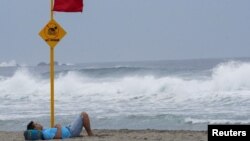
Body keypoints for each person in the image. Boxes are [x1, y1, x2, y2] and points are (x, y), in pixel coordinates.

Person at [26, 112, 93, 140]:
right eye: (36, 124)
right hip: (71, 132)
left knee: (81, 116)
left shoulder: (44, 131)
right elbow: (58, 137)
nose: (38, 123)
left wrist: (56, 127)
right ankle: (90, 135)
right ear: (35, 129)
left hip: (68, 129)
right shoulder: (44, 133)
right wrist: (58, 127)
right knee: (83, 115)